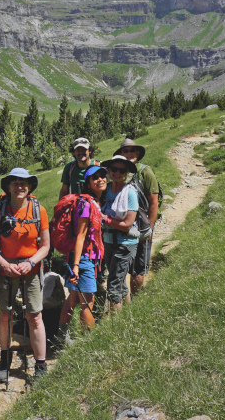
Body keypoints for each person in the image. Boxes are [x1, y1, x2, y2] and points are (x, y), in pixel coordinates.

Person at [0, 168, 50, 382]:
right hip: (5, 270)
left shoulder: (39, 210)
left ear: (30, 186)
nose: (20, 186)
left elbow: (46, 246)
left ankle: (40, 365)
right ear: (8, 186)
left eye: (24, 183)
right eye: (15, 183)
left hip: (31, 270)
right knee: (5, 314)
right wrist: (3, 263)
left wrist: (31, 261)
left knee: (35, 316)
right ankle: (4, 361)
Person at [57, 165, 107, 342]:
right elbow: (80, 236)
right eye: (95, 178)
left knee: (72, 299)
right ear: (88, 183)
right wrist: (76, 266)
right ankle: (88, 343)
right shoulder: (87, 205)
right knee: (87, 302)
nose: (100, 179)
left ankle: (62, 337)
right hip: (83, 259)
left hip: (80, 258)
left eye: (102, 176)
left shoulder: (93, 202)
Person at [114, 139, 159, 295]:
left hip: (140, 228)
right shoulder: (117, 171)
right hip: (120, 227)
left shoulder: (145, 172)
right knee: (120, 267)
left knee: (137, 269)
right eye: (125, 151)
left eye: (132, 150)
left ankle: (136, 301)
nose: (129, 154)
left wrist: (149, 229)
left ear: (138, 153)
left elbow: (154, 202)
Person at [100, 155, 138, 311]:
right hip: (108, 240)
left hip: (125, 244)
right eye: (114, 169)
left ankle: (116, 325)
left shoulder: (130, 193)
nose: (117, 173)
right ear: (108, 170)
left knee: (113, 284)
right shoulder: (106, 190)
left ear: (126, 173)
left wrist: (105, 219)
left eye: (121, 170)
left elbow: (128, 224)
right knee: (119, 281)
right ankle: (128, 314)